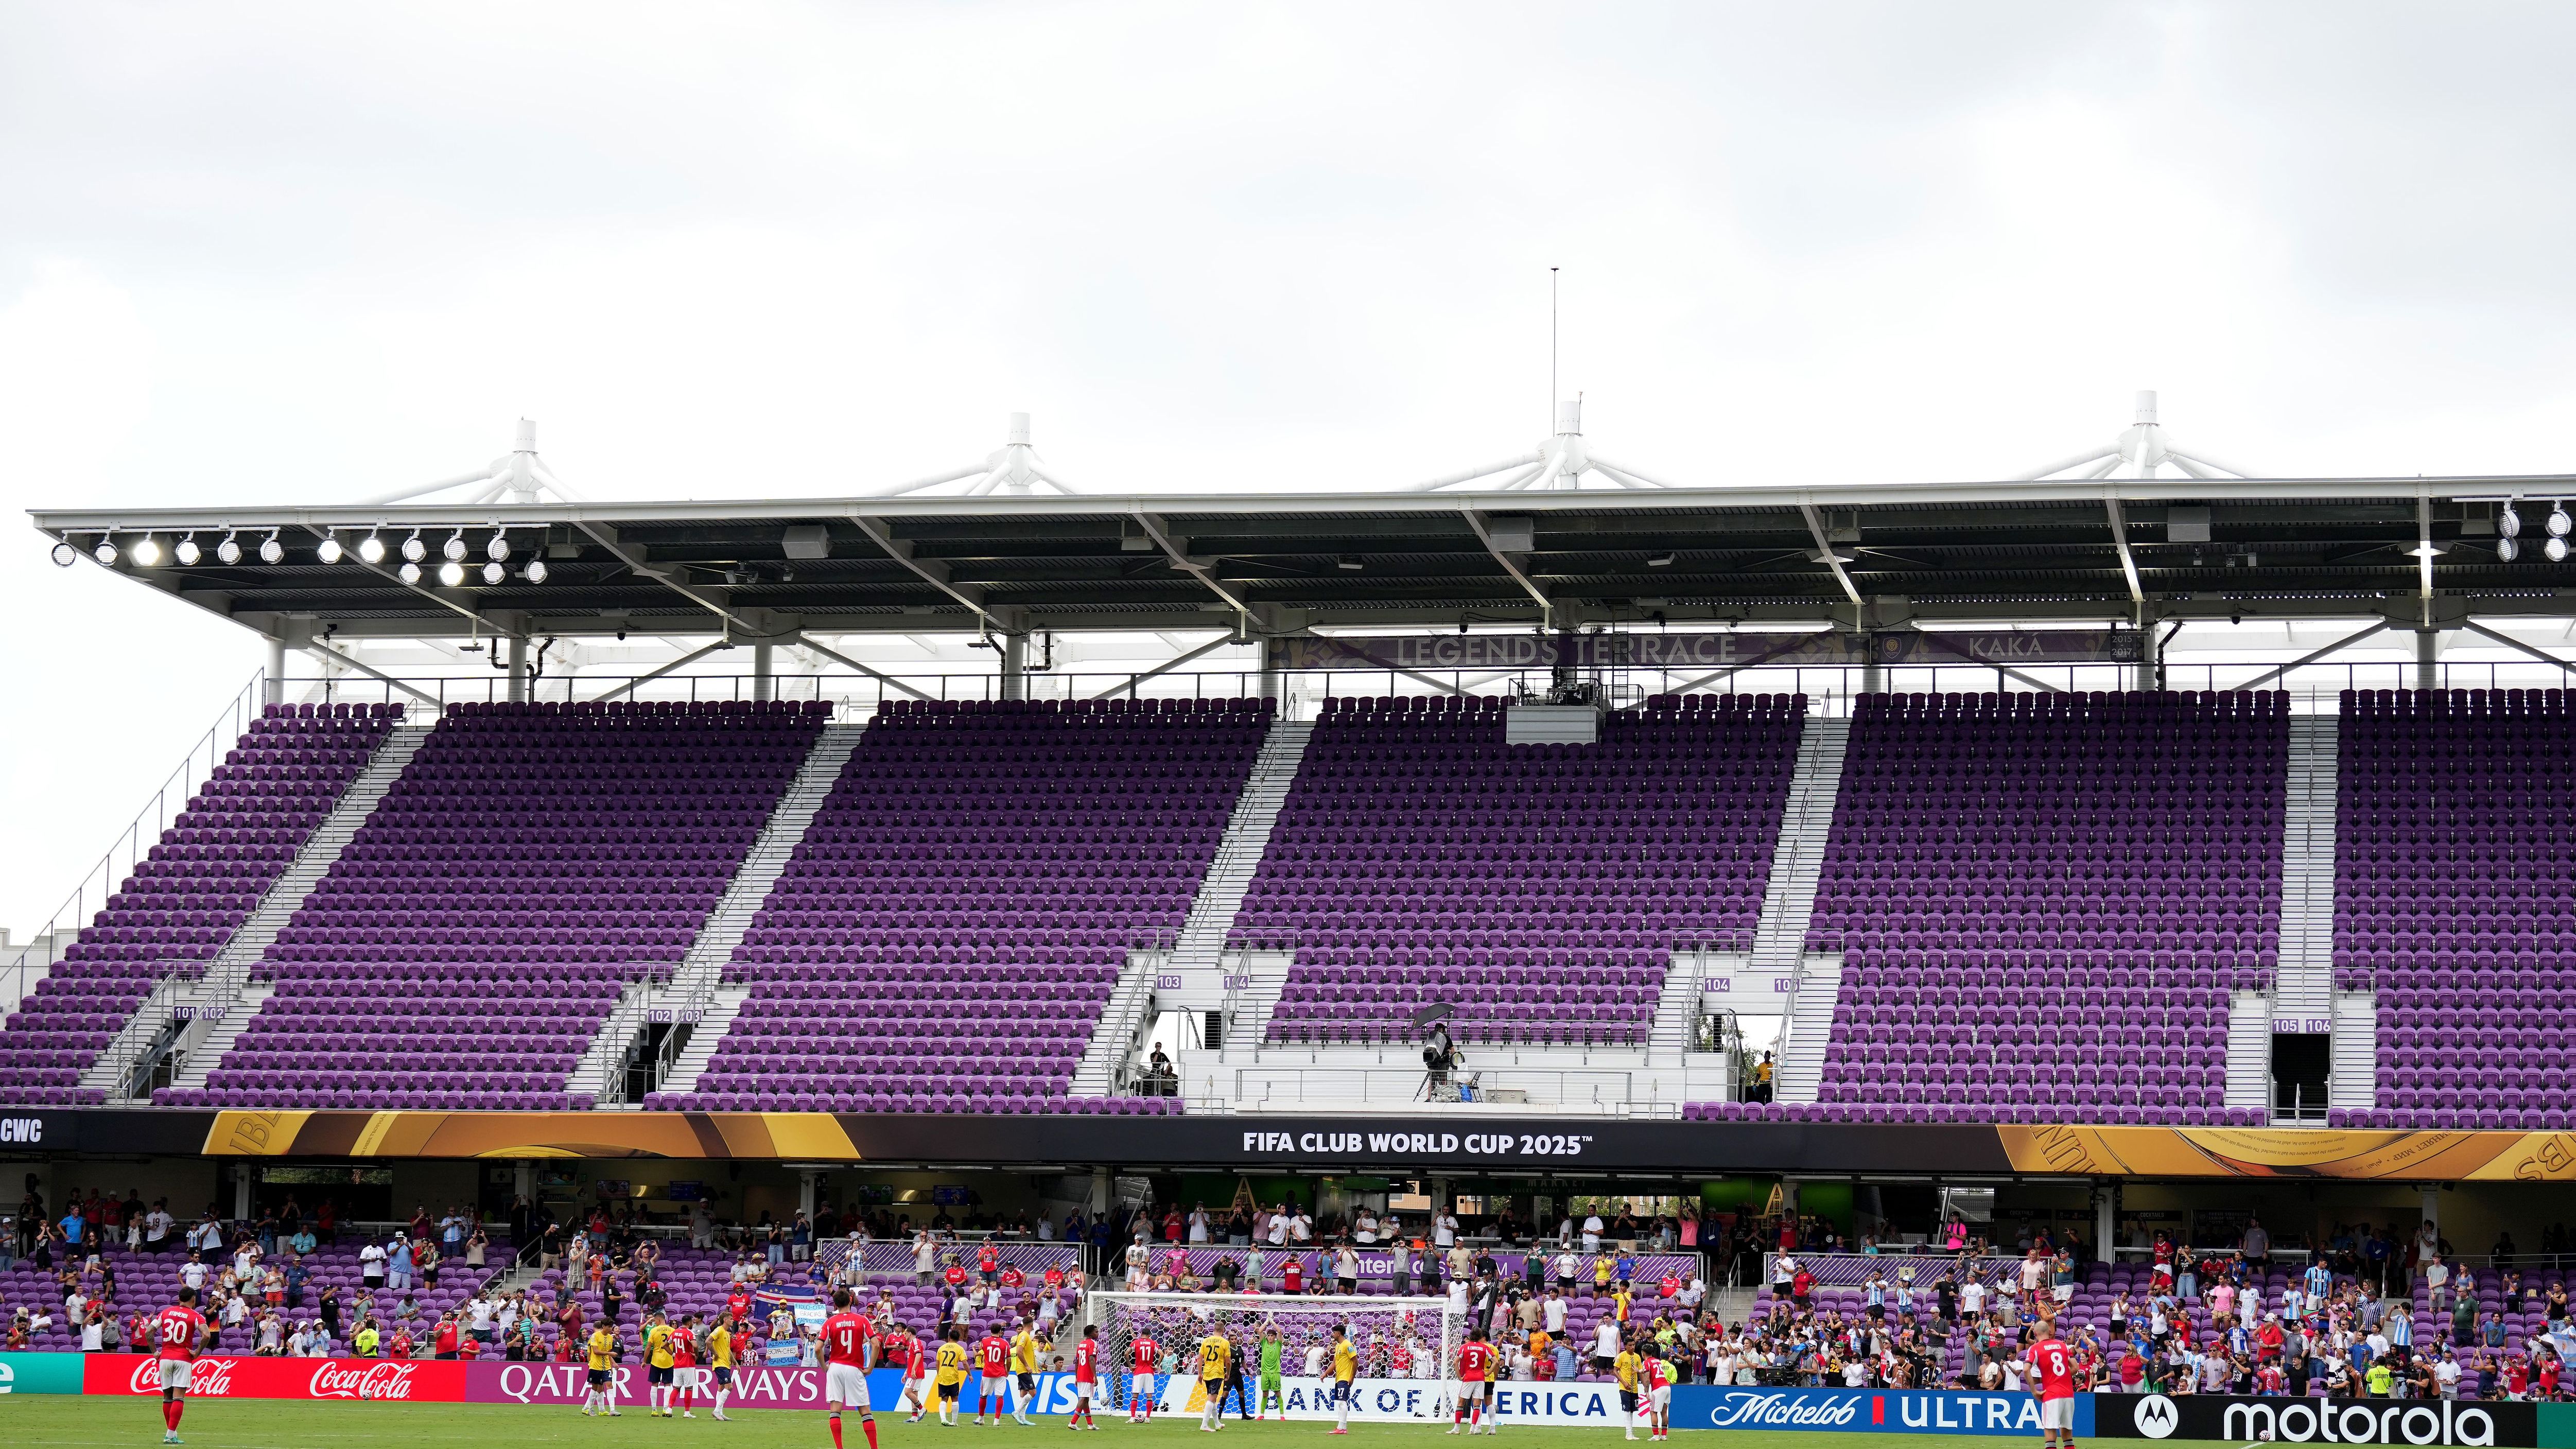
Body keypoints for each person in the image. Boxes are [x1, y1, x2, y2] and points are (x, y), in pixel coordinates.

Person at [821, 1286, 879, 1449]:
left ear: (834, 1304)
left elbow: (818, 1347)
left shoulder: (830, 1322)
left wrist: (824, 1368)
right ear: (851, 1301)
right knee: (865, 1411)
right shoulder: (862, 1320)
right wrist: (870, 1368)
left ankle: (840, 1448)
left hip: (836, 1367)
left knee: (835, 1409)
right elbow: (876, 1344)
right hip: (855, 1367)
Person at [153, 1285, 205, 1446]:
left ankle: (172, 1433)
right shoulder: (195, 1316)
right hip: (183, 1358)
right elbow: (207, 1334)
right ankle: (170, 1435)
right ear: (193, 1299)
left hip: (165, 1358)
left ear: (178, 1299)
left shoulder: (166, 1312)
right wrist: (197, 1352)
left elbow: (149, 1332)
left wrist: (155, 1352)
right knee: (178, 1397)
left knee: (167, 1397)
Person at [2028, 1320, 2078, 1449]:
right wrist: (2063, 1377)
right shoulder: (2062, 1345)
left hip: (2051, 1394)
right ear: (2050, 1332)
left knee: (2050, 1431)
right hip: (2068, 1394)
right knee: (2067, 1433)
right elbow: (2075, 1367)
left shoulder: (2035, 1348)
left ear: (2035, 1333)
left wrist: (2034, 1391)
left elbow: (2025, 1368)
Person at [1452, 1322, 1496, 1436]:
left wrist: (1459, 1376)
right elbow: (1496, 1361)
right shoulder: (1485, 1348)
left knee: (1461, 1402)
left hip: (1469, 1377)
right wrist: (1488, 1372)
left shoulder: (1464, 1347)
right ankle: (1473, 1429)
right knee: (1477, 1404)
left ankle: (1457, 1429)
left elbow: (1455, 1362)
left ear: (1471, 1336)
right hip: (1481, 1378)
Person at [1193, 1323, 1231, 1433]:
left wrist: (1200, 1373)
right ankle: (1204, 1425)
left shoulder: (1206, 1341)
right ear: (1223, 1330)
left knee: (1212, 1398)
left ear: (1214, 1329)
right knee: (1211, 1398)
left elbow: (1200, 1358)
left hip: (1207, 1373)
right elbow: (1228, 1361)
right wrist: (1228, 1374)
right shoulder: (1225, 1342)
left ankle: (1217, 1424)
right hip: (1217, 1373)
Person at [1012, 1317, 1047, 1427]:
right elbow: (1019, 1351)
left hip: (1024, 1368)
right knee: (1033, 1393)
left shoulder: (1026, 1336)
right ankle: (1016, 1412)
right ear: (1031, 1325)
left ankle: (1022, 1418)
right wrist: (1027, 1366)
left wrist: (1035, 1367)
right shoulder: (1024, 1335)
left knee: (1024, 1393)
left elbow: (1028, 1353)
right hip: (1023, 1369)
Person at [975, 1324, 1012, 1426]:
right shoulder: (1005, 1344)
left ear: (990, 1331)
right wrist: (1007, 1371)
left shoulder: (985, 1341)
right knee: (1000, 1396)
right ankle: (996, 1420)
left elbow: (982, 1350)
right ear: (1000, 1331)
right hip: (1000, 1373)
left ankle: (981, 1418)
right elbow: (1009, 1360)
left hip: (987, 1372)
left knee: (983, 1395)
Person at [934, 1326, 969, 1427]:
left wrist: (939, 1373)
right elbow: (965, 1363)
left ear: (949, 1338)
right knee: (955, 1398)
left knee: (944, 1398)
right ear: (958, 1340)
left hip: (942, 1375)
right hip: (953, 1375)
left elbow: (937, 1363)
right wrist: (970, 1375)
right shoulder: (960, 1349)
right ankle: (954, 1422)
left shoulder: (941, 1348)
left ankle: (943, 1419)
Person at [1070, 1323, 1101, 1429]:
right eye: (1096, 1332)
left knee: (1086, 1399)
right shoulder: (1093, 1343)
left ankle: (1090, 1424)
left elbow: (1077, 1362)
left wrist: (1076, 1377)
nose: (1098, 1334)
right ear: (1090, 1333)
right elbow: (1091, 1359)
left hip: (1080, 1374)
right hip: (1087, 1374)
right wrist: (1095, 1376)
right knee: (1083, 1398)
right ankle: (1073, 1422)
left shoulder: (1081, 1344)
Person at [706, 1313, 737, 1422]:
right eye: (731, 1319)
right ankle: (717, 1411)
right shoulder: (719, 1330)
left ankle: (720, 1413)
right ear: (725, 1320)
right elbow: (708, 1341)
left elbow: (728, 1350)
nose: (733, 1321)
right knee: (730, 1387)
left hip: (726, 1363)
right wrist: (715, 1354)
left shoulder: (727, 1334)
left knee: (721, 1388)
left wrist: (735, 1362)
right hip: (720, 1364)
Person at [1328, 1323, 1357, 1436]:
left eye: (1334, 1333)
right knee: (1341, 1402)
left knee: (1342, 1402)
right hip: (1339, 1378)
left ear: (1338, 1333)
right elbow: (1335, 1363)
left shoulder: (1347, 1345)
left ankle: (1341, 1427)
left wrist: (1352, 1377)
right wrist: (1325, 1374)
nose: (1333, 1335)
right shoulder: (1338, 1346)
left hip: (1345, 1378)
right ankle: (1342, 1428)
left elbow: (1355, 1361)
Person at [1128, 1329, 1162, 1423]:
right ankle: (1148, 1418)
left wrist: (1131, 1366)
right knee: (1149, 1396)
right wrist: (1156, 1366)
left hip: (1138, 1372)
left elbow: (1126, 1353)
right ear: (1149, 1335)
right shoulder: (1153, 1343)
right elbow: (1162, 1354)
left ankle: (1132, 1418)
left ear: (1141, 1334)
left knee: (1135, 1395)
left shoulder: (1136, 1342)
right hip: (1149, 1372)